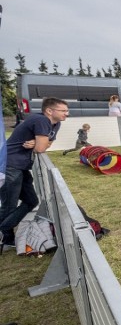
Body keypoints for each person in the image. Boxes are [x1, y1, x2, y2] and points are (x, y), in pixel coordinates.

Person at [0, 98, 69, 250]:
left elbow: (47, 143)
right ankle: (6, 236)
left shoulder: (55, 123)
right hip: (9, 166)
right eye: (63, 111)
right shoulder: (41, 120)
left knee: (31, 201)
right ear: (50, 111)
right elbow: (40, 149)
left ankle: (5, 229)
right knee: (9, 205)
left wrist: (39, 143)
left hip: (21, 167)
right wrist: (38, 144)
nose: (67, 114)